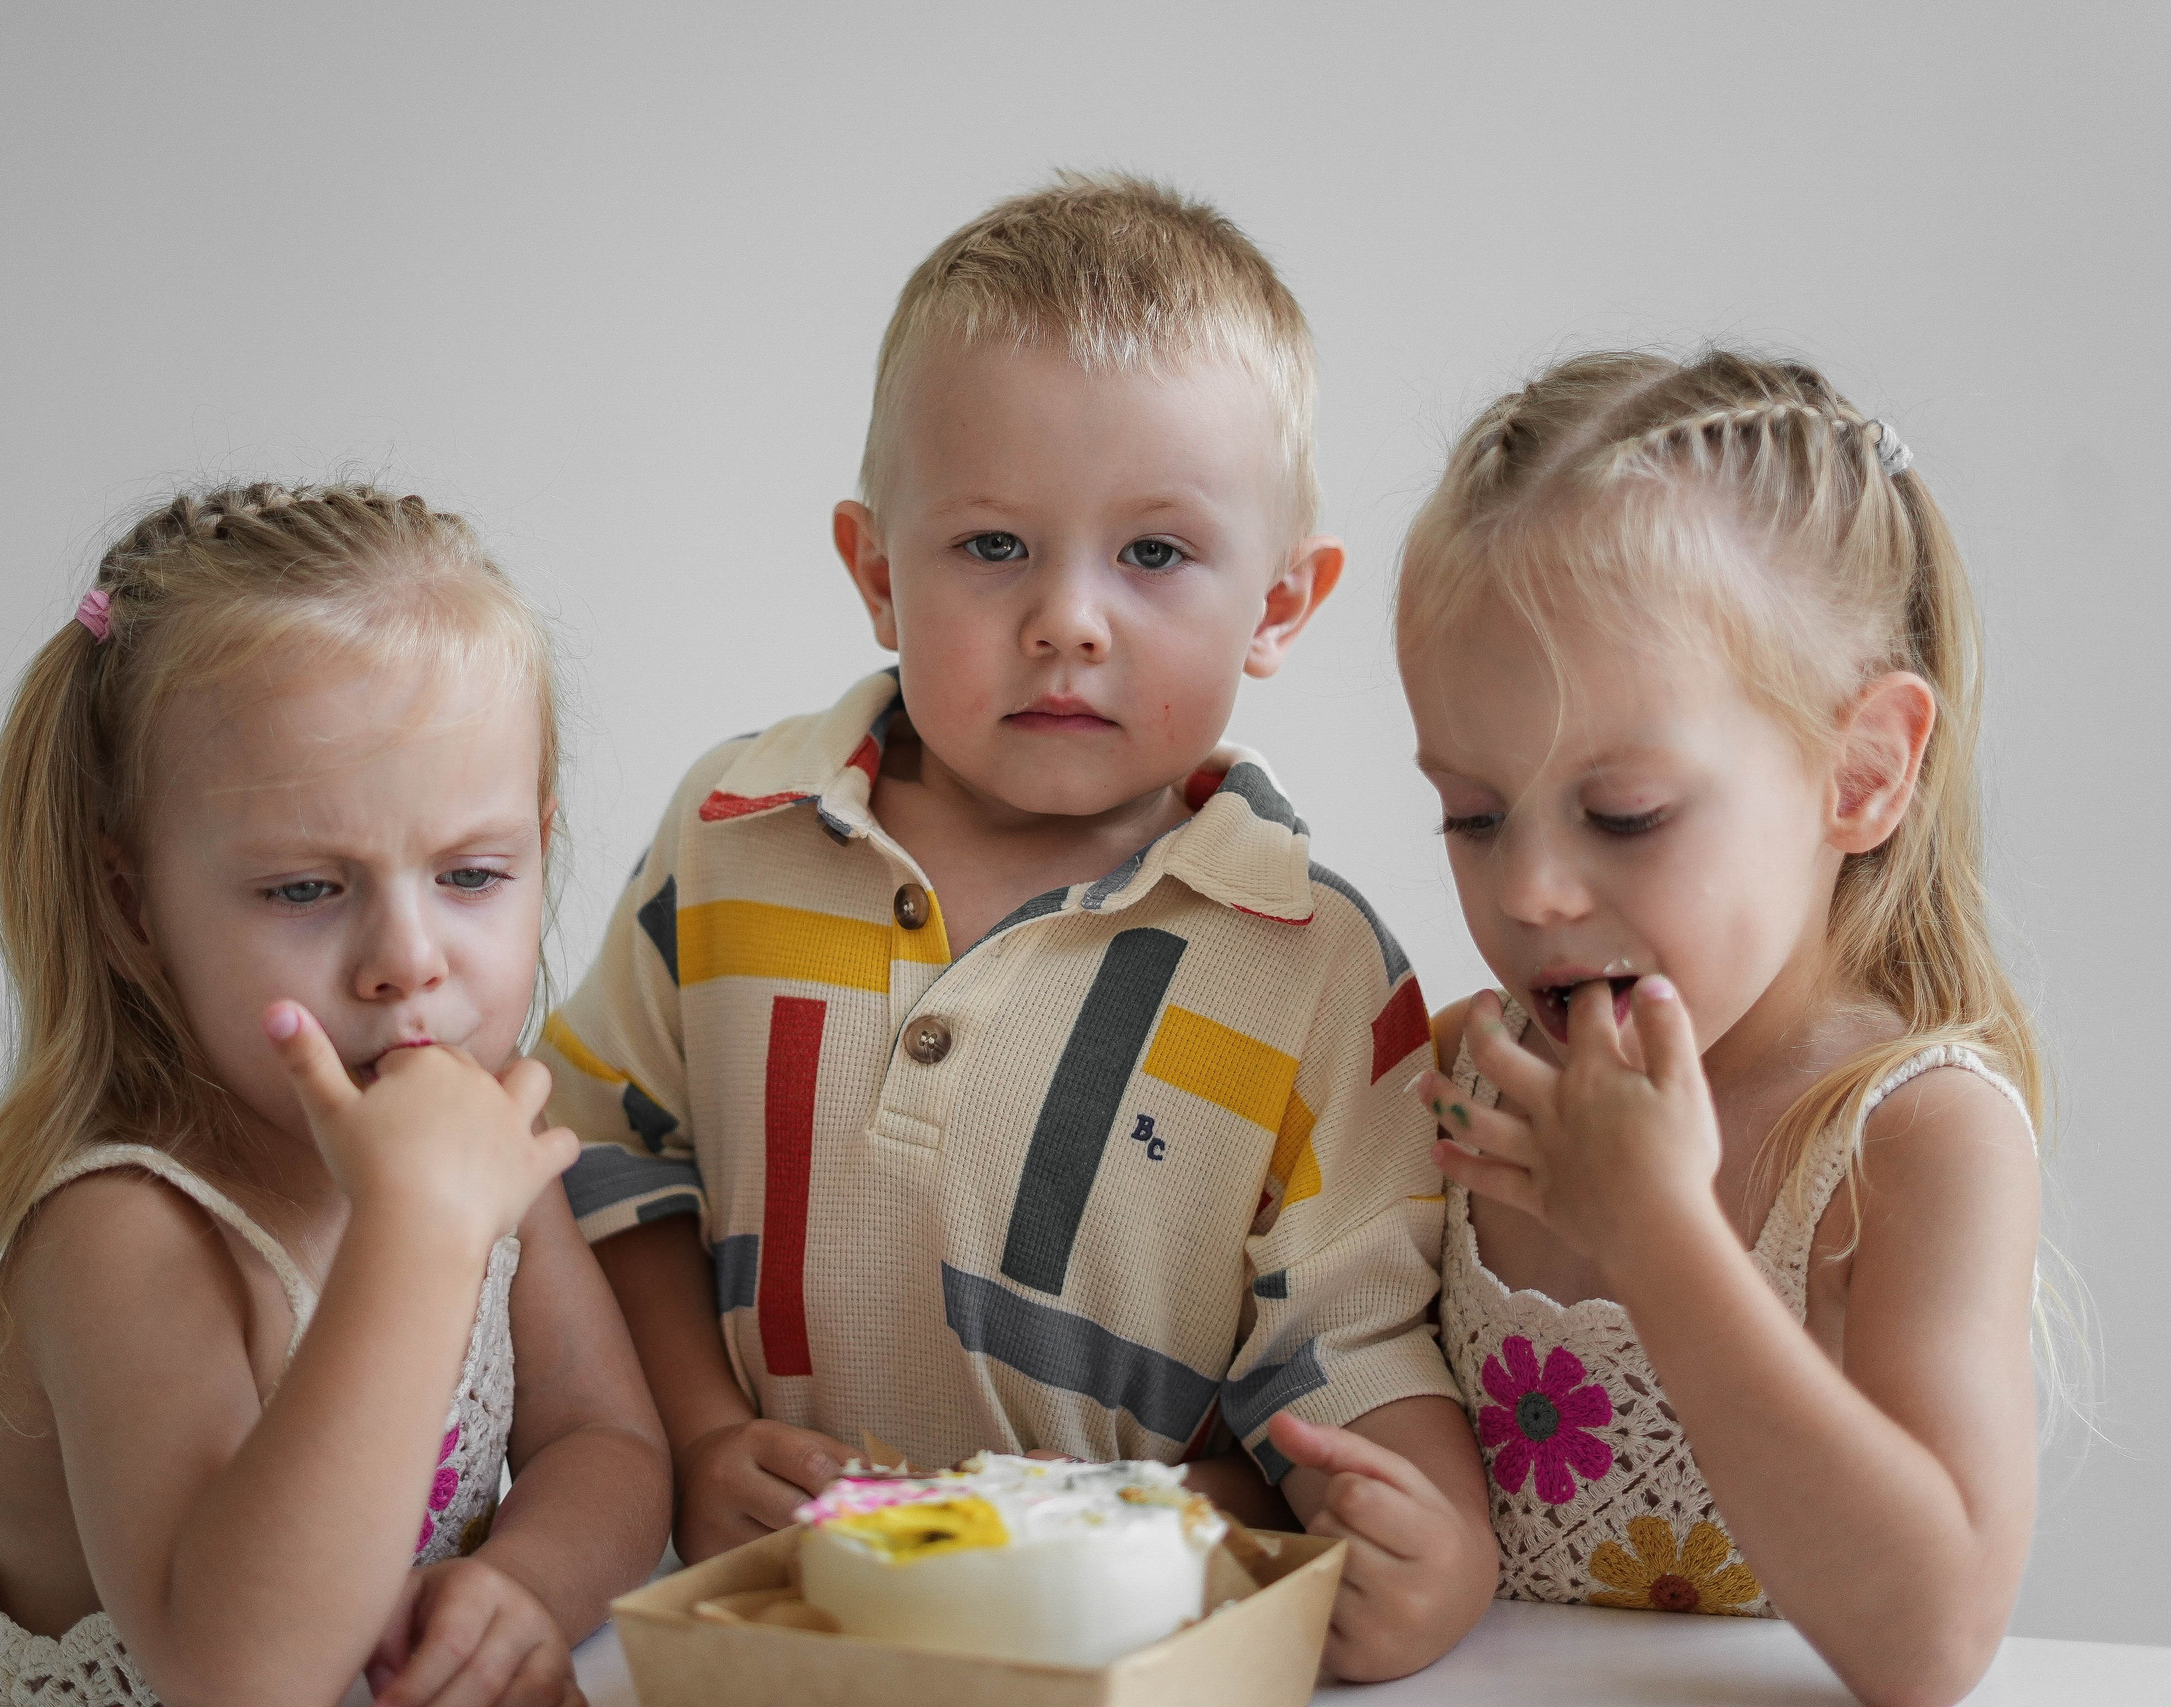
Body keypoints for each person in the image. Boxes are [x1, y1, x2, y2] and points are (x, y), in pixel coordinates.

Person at [535, 174, 1497, 1680]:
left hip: (1110, 1647)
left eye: (1156, 555)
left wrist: (1419, 1533)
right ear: (874, 571)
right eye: (992, 547)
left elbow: (1351, 1336)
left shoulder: (1317, 970)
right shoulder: (731, 833)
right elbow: (606, 1163)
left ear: (1282, 603)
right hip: (773, 1634)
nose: (1069, 618)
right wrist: (699, 1430)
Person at [0, 484, 667, 1707]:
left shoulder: (476, 1149)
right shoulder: (126, 1236)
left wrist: (522, 1583)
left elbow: (607, 1446)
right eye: (306, 890)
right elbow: (244, 1675)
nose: (408, 959)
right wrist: (418, 1231)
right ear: (134, 908)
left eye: (472, 874)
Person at [1397, 350, 2041, 1707]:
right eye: (1472, 810)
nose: (1527, 890)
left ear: (1862, 774)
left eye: (1625, 812)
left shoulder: (1915, 1138)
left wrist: (1657, 1229)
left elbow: (1930, 1642)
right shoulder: (1451, 1075)